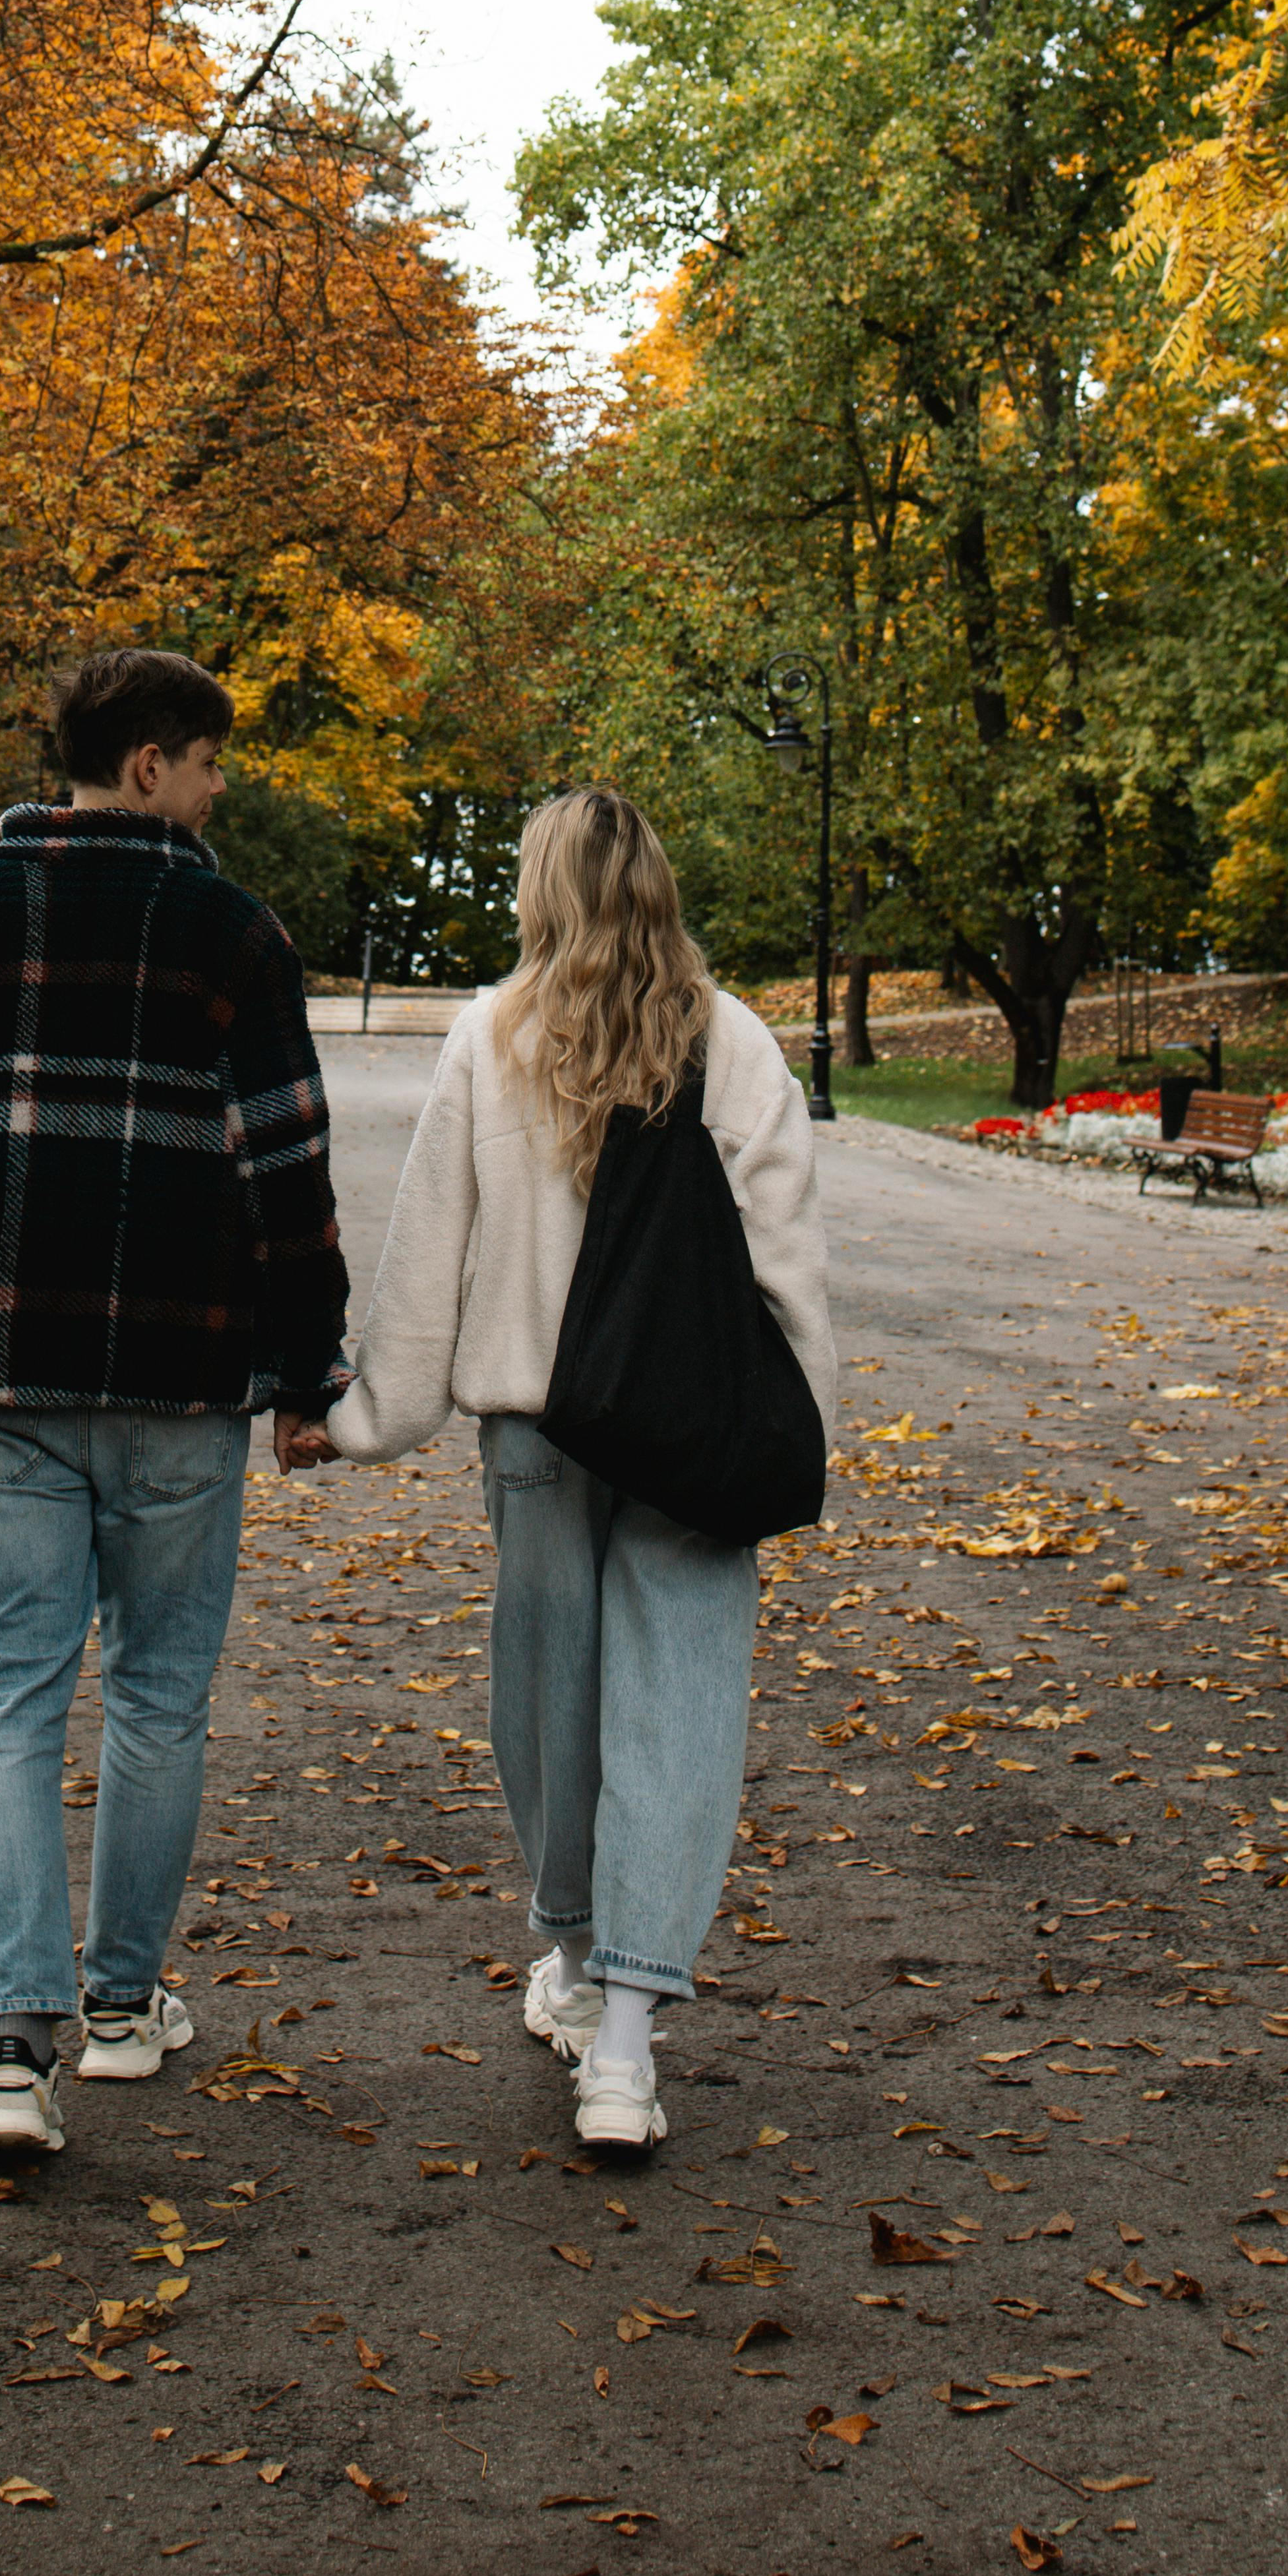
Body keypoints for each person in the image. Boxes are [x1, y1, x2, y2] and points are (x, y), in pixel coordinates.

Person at [0, 647, 348, 2157]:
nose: (218, 785)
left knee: (6, 1692)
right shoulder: (232, 932)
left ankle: (8, 2050)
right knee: (160, 1695)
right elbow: (286, 1174)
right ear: (143, 769)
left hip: (2, 1383)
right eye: (206, 760)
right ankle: (120, 2011)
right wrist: (306, 1377)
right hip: (180, 1386)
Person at [301, 786, 831, 2154]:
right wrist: (792, 1433)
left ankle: (579, 1955)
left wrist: (364, 1420)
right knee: (680, 1712)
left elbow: (429, 1256)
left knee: (548, 1707)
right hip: (691, 1433)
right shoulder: (737, 1042)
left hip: (536, 1428)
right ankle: (626, 2048)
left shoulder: (492, 1033)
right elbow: (785, 1264)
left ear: (540, 892)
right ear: (657, 882)